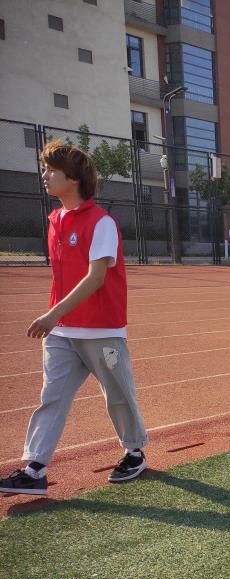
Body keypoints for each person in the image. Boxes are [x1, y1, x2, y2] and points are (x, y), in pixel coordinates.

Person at [1, 141, 148, 497]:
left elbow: (95, 278)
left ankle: (134, 452)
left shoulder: (102, 223)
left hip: (102, 330)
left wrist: (53, 313)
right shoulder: (55, 220)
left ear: (74, 178)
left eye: (51, 169)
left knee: (118, 395)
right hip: (63, 332)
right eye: (44, 168)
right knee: (51, 397)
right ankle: (35, 469)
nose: (44, 175)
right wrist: (58, 317)